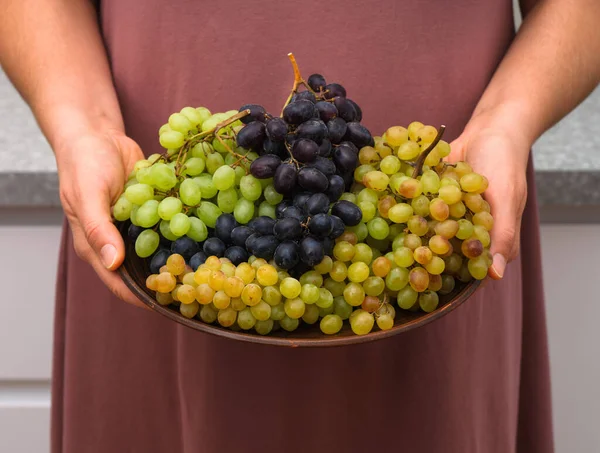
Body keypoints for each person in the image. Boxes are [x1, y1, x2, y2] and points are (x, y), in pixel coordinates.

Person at [1, 0, 599, 451]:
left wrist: (507, 121)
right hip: (150, 205)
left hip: (431, 226)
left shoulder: (439, 219)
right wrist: (83, 125)